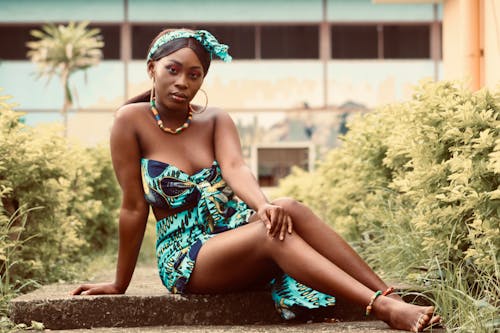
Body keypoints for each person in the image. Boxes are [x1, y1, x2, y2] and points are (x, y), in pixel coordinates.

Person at [72, 28, 440, 332]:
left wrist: (262, 205)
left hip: (231, 231)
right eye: (173, 69)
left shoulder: (215, 119)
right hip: (186, 257)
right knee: (271, 233)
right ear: (152, 69)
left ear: (203, 79)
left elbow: (236, 168)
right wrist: (120, 284)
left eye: (194, 74)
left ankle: (389, 294)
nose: (183, 82)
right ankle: (380, 309)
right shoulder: (129, 121)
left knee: (288, 208)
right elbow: (134, 208)